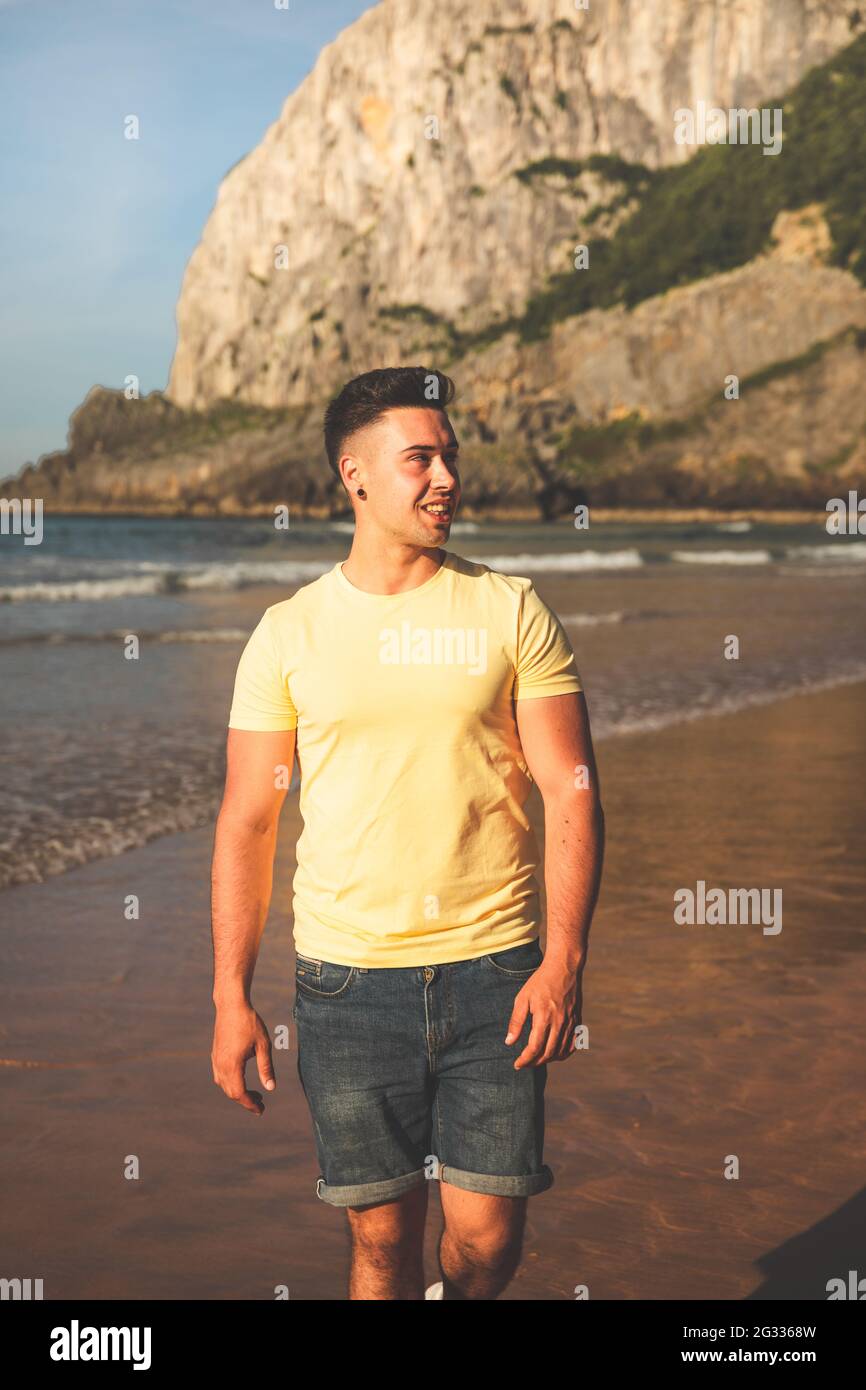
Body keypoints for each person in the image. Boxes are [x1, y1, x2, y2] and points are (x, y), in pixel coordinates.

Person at [210, 365, 605, 1300]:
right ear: (354, 475)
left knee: (487, 1240)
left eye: (450, 457)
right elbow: (249, 816)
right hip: (347, 987)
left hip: (497, 974)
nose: (445, 478)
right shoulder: (287, 633)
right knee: (381, 1246)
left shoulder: (511, 609)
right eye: (419, 458)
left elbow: (573, 789)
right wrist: (230, 995)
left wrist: (564, 962)